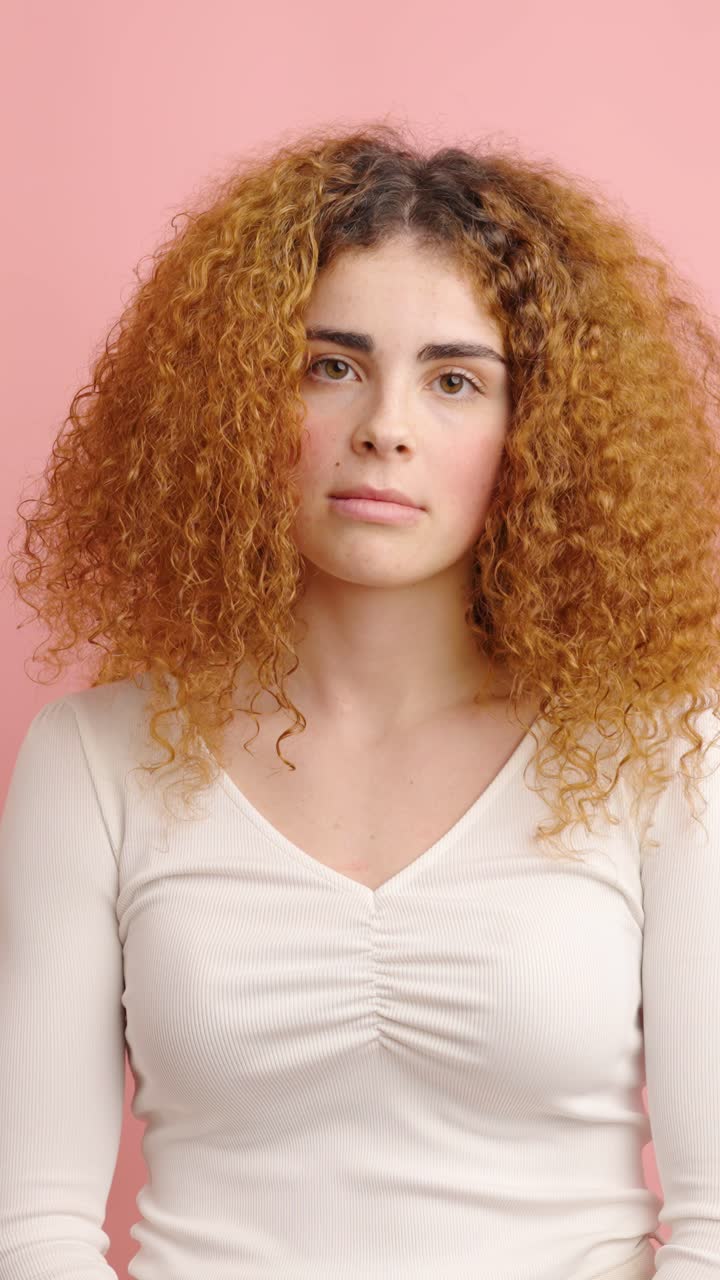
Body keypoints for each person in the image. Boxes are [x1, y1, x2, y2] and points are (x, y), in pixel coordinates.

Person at [1, 121, 720, 1279]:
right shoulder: (92, 758)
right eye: (329, 365)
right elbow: (33, 1228)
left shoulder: (662, 749)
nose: (385, 425)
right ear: (234, 403)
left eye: (454, 379)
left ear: (536, 431)